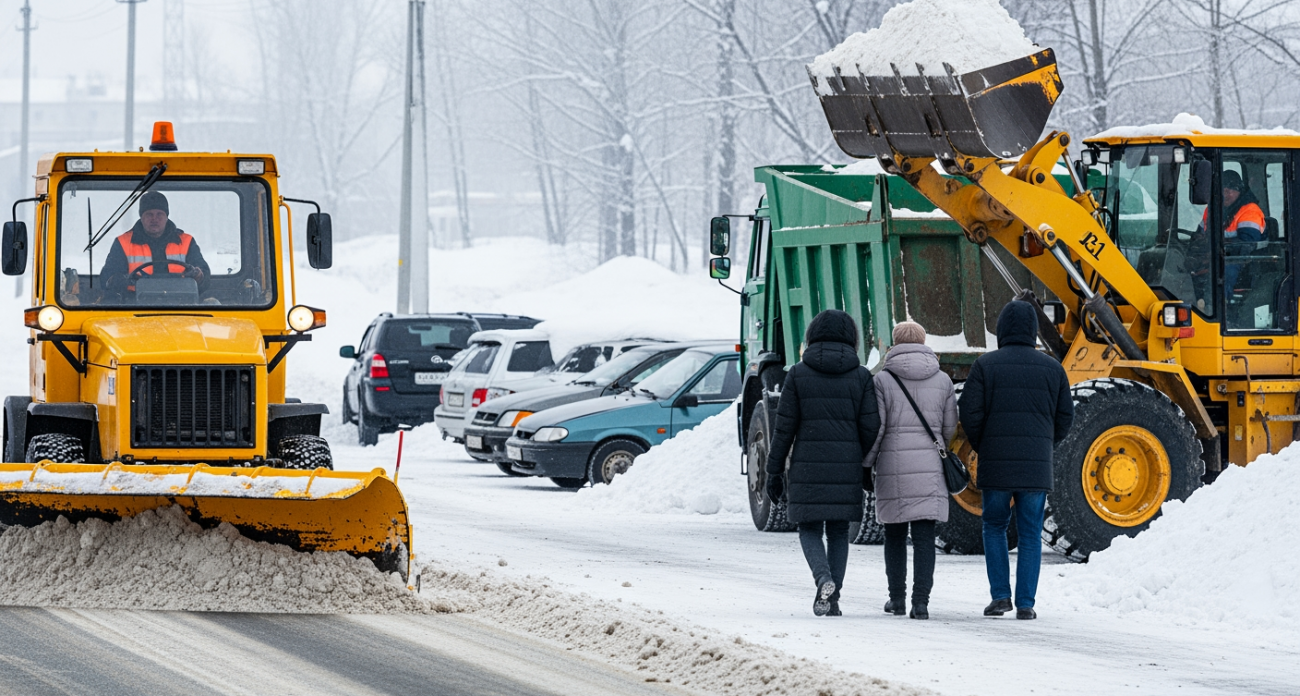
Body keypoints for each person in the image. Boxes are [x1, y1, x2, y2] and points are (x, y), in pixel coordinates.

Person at [958, 300, 1073, 620]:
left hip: (996, 464)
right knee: (1030, 532)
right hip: (1036, 465)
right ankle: (1026, 603)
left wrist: (985, 445)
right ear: (1034, 330)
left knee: (994, 526)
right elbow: (1066, 417)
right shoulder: (1053, 368)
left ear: (1002, 330)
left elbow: (969, 413)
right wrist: (1043, 446)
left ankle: (1000, 598)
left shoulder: (985, 365)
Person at [766, 309, 880, 617]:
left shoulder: (798, 375)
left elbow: (784, 429)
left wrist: (773, 471)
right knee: (839, 531)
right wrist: (862, 459)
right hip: (846, 465)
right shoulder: (861, 376)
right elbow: (872, 426)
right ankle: (833, 600)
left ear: (812, 336)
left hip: (807, 465)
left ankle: (823, 578)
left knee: (809, 527)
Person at [863, 321, 956, 620]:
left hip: (893, 463)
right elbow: (949, 428)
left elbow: (877, 429)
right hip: (930, 464)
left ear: (894, 343)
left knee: (894, 534)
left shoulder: (883, 379)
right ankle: (921, 603)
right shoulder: (942, 380)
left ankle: (897, 600)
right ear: (924, 340)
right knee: (925, 536)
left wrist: (868, 463)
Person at [101, 191, 211, 295]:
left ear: (166, 217)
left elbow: (204, 276)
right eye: (149, 214)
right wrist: (121, 279)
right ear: (141, 217)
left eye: (159, 214)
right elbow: (107, 278)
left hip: (180, 303)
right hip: (134, 305)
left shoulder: (187, 242)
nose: (154, 219)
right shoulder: (123, 243)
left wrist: (198, 275)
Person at [1188, 169, 1266, 298]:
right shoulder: (1212, 209)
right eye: (1223, 190)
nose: (1226, 194)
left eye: (1230, 191)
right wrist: (1195, 251)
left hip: (1244, 260)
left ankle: (1222, 305)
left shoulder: (1250, 211)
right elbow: (1200, 234)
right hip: (1217, 256)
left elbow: (1247, 244)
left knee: (1223, 273)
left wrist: (1215, 253)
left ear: (1239, 191)